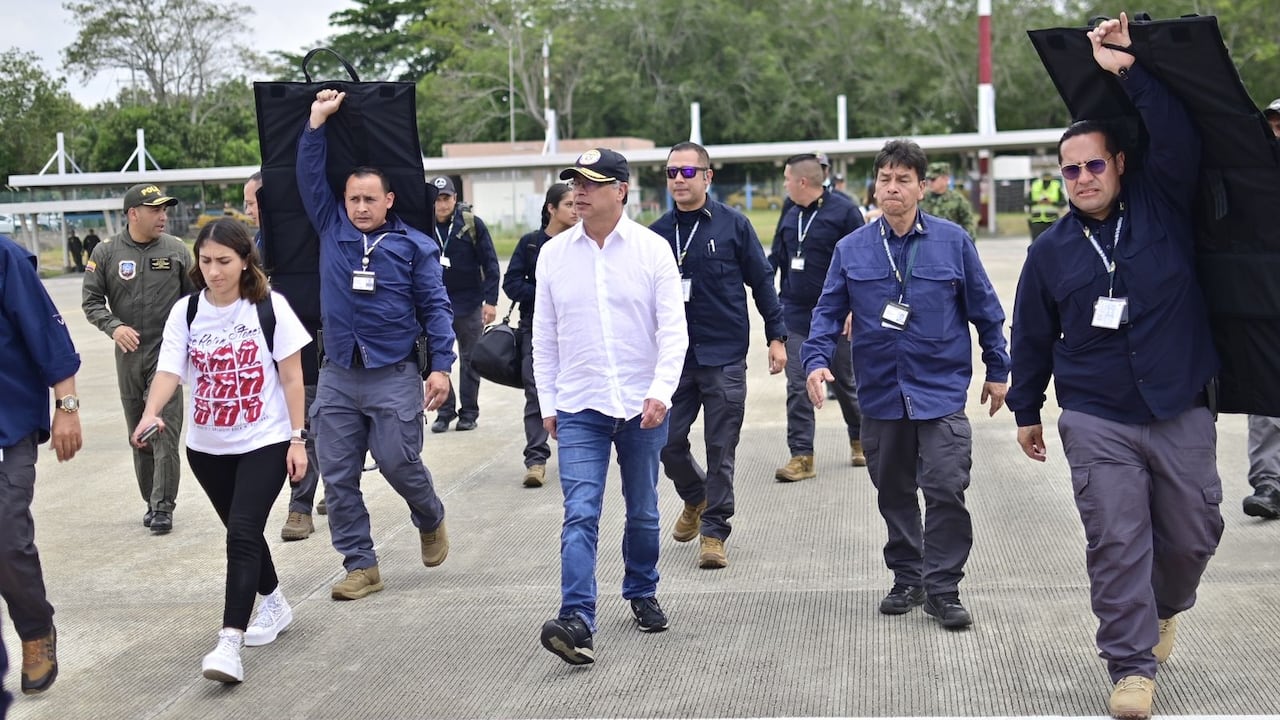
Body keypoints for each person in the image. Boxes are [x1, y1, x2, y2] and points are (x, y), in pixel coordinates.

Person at [1006, 15, 1222, 720]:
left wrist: (1126, 68)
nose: (1082, 178)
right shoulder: (1050, 252)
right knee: (1116, 540)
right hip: (1096, 411)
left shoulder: (1162, 206)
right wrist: (1027, 410)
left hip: (1178, 401)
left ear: (1120, 164)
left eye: (1094, 164)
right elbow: (1031, 334)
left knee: (1195, 531)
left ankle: (1167, 607)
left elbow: (1181, 137)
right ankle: (1130, 668)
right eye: (1070, 170)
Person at [802, 138, 1009, 632]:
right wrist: (814, 360)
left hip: (939, 392)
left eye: (903, 180)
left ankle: (943, 589)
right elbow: (827, 312)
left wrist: (999, 370)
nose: (892, 188)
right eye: (884, 179)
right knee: (893, 490)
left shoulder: (952, 241)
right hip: (880, 394)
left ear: (920, 187)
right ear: (875, 186)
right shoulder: (851, 248)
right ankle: (908, 577)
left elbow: (986, 310)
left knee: (944, 486)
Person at [131, 218, 310, 683]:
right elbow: (169, 370)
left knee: (242, 532)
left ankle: (229, 643)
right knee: (242, 533)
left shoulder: (269, 307)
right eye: (206, 261)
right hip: (207, 447)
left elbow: (292, 377)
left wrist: (297, 438)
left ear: (245, 260)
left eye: (224, 261)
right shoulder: (187, 312)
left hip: (265, 440)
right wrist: (152, 412)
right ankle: (274, 604)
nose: (214, 271)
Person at [297, 88, 455, 601]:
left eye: (370, 198)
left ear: (389, 200)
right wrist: (316, 123)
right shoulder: (330, 230)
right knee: (338, 476)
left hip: (393, 373)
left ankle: (429, 515)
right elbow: (308, 179)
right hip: (339, 372)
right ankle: (361, 565)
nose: (361, 207)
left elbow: (436, 310)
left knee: (397, 461)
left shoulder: (416, 246)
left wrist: (442, 367)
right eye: (353, 199)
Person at [533, 148, 687, 665]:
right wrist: (548, 401)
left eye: (592, 183)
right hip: (580, 406)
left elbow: (673, 332)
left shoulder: (652, 250)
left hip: (643, 407)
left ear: (621, 190)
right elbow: (544, 338)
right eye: (575, 182)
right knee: (580, 512)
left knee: (643, 511)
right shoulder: (553, 255)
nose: (579, 191)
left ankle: (642, 590)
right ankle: (577, 619)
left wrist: (661, 391)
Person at [649, 142, 787, 569]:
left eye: (688, 173)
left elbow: (762, 281)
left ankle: (714, 531)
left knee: (720, 447)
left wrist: (776, 336)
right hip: (674, 359)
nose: (678, 180)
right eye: (672, 172)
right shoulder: (654, 235)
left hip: (724, 353)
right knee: (666, 442)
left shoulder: (734, 226)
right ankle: (696, 494)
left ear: (708, 177)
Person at [82, 183, 197, 535]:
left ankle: (164, 506)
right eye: (155, 210)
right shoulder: (105, 253)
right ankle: (151, 500)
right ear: (134, 214)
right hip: (129, 356)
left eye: (165, 209)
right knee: (140, 431)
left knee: (164, 430)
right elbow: (91, 302)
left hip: (167, 355)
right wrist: (114, 327)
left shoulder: (177, 251)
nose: (164, 216)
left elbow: (195, 301)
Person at [0, 232, 82, 700]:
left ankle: (35, 629)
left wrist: (66, 405)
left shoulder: (5, 258)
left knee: (7, 540)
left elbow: (47, 333)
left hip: (7, 427)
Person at [770, 153, 866, 481]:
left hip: (836, 316)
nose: (784, 185)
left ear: (802, 181)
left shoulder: (845, 210)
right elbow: (779, 256)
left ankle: (860, 439)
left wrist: (855, 307)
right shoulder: (789, 210)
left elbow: (863, 262)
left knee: (846, 384)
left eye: (786, 179)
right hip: (795, 314)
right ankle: (802, 456)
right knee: (798, 384)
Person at [244, 171, 324, 540]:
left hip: (309, 347)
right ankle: (327, 494)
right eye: (247, 204)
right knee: (300, 428)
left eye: (253, 202)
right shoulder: (254, 246)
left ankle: (301, 508)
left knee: (309, 428)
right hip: (270, 351)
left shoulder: (304, 239)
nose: (249, 211)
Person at [502, 182, 577, 488]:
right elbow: (511, 284)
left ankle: (575, 454)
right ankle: (536, 460)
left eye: (577, 204)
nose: (575, 209)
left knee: (574, 394)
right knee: (536, 393)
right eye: (569, 204)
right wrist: (546, 294)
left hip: (573, 331)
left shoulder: (581, 244)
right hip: (534, 328)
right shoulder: (531, 244)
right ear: (551, 209)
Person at [429, 176, 499, 434]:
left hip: (469, 304)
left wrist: (490, 302)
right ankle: (444, 412)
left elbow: (491, 264)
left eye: (446, 198)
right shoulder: (424, 226)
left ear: (455, 199)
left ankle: (468, 413)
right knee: (437, 360)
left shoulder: (471, 224)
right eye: (436, 199)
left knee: (470, 359)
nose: (441, 204)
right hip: (436, 307)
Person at [1242, 101, 1280, 519]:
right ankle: (1269, 485)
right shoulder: (1252, 181)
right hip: (1267, 303)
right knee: (1267, 400)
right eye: (1271, 127)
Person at [919, 162, 978, 239]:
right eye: (928, 179)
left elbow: (969, 226)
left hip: (949, 243)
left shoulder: (958, 200)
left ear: (945, 179)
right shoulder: (921, 198)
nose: (929, 182)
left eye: (933, 179)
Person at [1027, 170, 1067, 242]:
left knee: (1053, 243)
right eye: (1045, 181)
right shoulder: (1035, 185)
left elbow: (1063, 203)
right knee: (1036, 244)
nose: (1046, 183)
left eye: (1047, 181)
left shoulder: (1056, 186)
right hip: (1037, 220)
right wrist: (1037, 202)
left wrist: (1052, 202)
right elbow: (1027, 202)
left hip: (1052, 220)